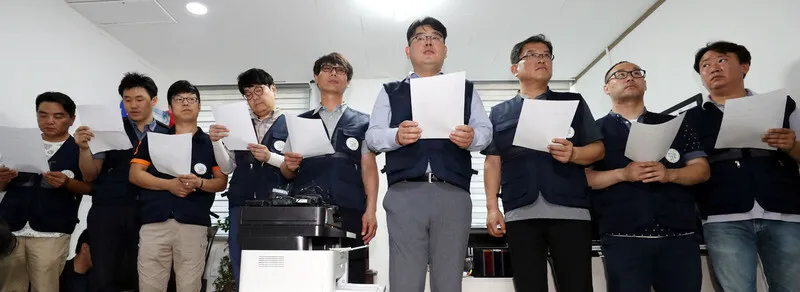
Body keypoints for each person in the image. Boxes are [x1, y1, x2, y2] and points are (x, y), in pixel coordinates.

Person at [365, 17, 492, 292]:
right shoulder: (390, 91)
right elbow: (373, 136)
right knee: (404, 282)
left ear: (445, 50)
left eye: (435, 36)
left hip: (454, 195)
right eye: (419, 37)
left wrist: (473, 138)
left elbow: (486, 132)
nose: (428, 41)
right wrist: (395, 136)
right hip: (404, 196)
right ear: (408, 51)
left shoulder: (467, 89)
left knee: (449, 283)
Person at [482, 34, 604, 292]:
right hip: (520, 211)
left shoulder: (573, 102)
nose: (541, 59)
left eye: (546, 55)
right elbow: (493, 162)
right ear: (515, 68)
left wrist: (574, 154)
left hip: (570, 209)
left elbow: (597, 150)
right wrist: (493, 208)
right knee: (529, 287)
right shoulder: (499, 112)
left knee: (577, 286)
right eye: (532, 55)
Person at [683, 41, 800, 292]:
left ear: (744, 67)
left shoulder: (782, 104)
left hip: (784, 212)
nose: (713, 67)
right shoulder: (690, 119)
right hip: (722, 216)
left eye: (721, 60)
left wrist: (791, 145)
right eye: (705, 65)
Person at [586, 61, 710, 292]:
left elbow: (701, 169)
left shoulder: (675, 124)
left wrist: (670, 174)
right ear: (606, 88)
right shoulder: (593, 131)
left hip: (679, 235)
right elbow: (584, 179)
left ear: (645, 82)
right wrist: (622, 174)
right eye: (619, 75)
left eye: (636, 73)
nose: (629, 78)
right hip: (622, 236)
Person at [280, 52, 379, 283]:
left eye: (340, 70)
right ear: (316, 77)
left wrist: (371, 210)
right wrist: (289, 165)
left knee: (352, 277)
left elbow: (369, 169)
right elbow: (286, 171)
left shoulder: (365, 122)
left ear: (348, 81)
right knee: (307, 278)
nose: (333, 73)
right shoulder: (299, 121)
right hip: (307, 212)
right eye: (327, 68)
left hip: (351, 209)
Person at [130, 80, 228, 292]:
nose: (186, 103)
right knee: (149, 286)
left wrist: (200, 182)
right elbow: (135, 174)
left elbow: (221, 182)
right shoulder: (154, 138)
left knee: (189, 286)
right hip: (154, 222)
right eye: (179, 99)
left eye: (191, 99)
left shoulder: (211, 143)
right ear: (170, 107)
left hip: (193, 224)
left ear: (199, 106)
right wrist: (169, 185)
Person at [74, 72, 170, 291]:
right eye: (127, 100)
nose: (133, 105)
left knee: (145, 276)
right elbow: (90, 174)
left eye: (139, 99)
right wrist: (83, 149)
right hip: (108, 211)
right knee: (103, 275)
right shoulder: (108, 130)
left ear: (154, 101)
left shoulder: (169, 134)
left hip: (150, 213)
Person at [0, 92, 92, 292]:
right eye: (43, 115)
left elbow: (91, 186)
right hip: (11, 228)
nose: (49, 121)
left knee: (45, 287)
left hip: (52, 230)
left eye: (58, 116)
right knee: (9, 286)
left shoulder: (80, 148)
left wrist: (67, 183)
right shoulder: (17, 142)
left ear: (72, 119)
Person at [210, 68, 288, 285]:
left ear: (273, 89)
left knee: (277, 263)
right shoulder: (236, 125)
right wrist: (216, 142)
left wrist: (270, 157)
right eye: (248, 95)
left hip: (277, 205)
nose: (255, 98)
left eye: (259, 91)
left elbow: (297, 166)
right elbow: (227, 168)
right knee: (241, 262)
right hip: (241, 203)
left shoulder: (291, 123)